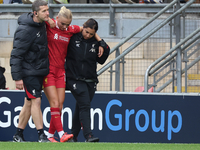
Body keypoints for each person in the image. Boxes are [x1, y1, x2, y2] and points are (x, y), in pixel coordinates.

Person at [43, 6, 103, 143]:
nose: (65, 27)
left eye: (67, 24)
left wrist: (100, 41)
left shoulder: (71, 30)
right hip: (49, 70)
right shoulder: (49, 25)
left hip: (61, 71)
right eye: (62, 23)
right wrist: (49, 19)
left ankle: (50, 136)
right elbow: (35, 16)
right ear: (57, 18)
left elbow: (87, 30)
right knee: (55, 102)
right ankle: (61, 133)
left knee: (60, 105)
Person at [10, 0, 50, 142]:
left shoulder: (42, 24)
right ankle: (41, 135)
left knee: (28, 103)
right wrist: (17, 77)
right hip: (28, 72)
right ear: (35, 13)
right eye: (44, 11)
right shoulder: (25, 30)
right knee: (36, 101)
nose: (48, 13)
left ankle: (18, 134)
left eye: (48, 10)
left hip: (38, 71)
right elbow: (16, 54)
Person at [66, 18, 110, 142]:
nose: (87, 35)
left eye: (91, 34)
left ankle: (73, 136)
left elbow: (102, 59)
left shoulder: (96, 43)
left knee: (80, 107)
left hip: (90, 81)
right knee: (85, 105)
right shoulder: (73, 38)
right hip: (74, 79)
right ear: (83, 28)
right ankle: (88, 135)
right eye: (86, 32)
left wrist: (101, 42)